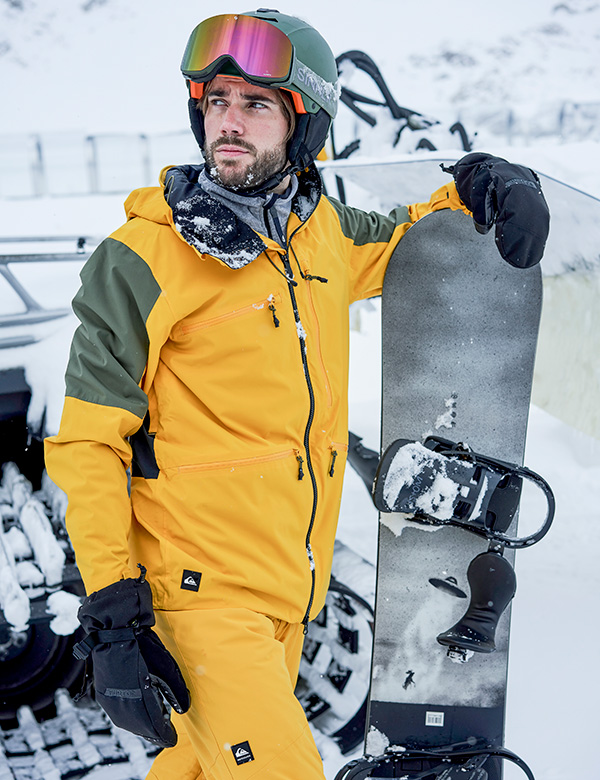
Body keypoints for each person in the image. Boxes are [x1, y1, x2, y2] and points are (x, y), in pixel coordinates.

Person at [45, 9, 549, 780]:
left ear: (304, 122)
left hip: (287, 597)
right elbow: (87, 442)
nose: (228, 124)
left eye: (256, 104)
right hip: (197, 604)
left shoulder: (322, 239)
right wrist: (112, 614)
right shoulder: (142, 258)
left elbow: (412, 242)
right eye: (216, 101)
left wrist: (485, 184)